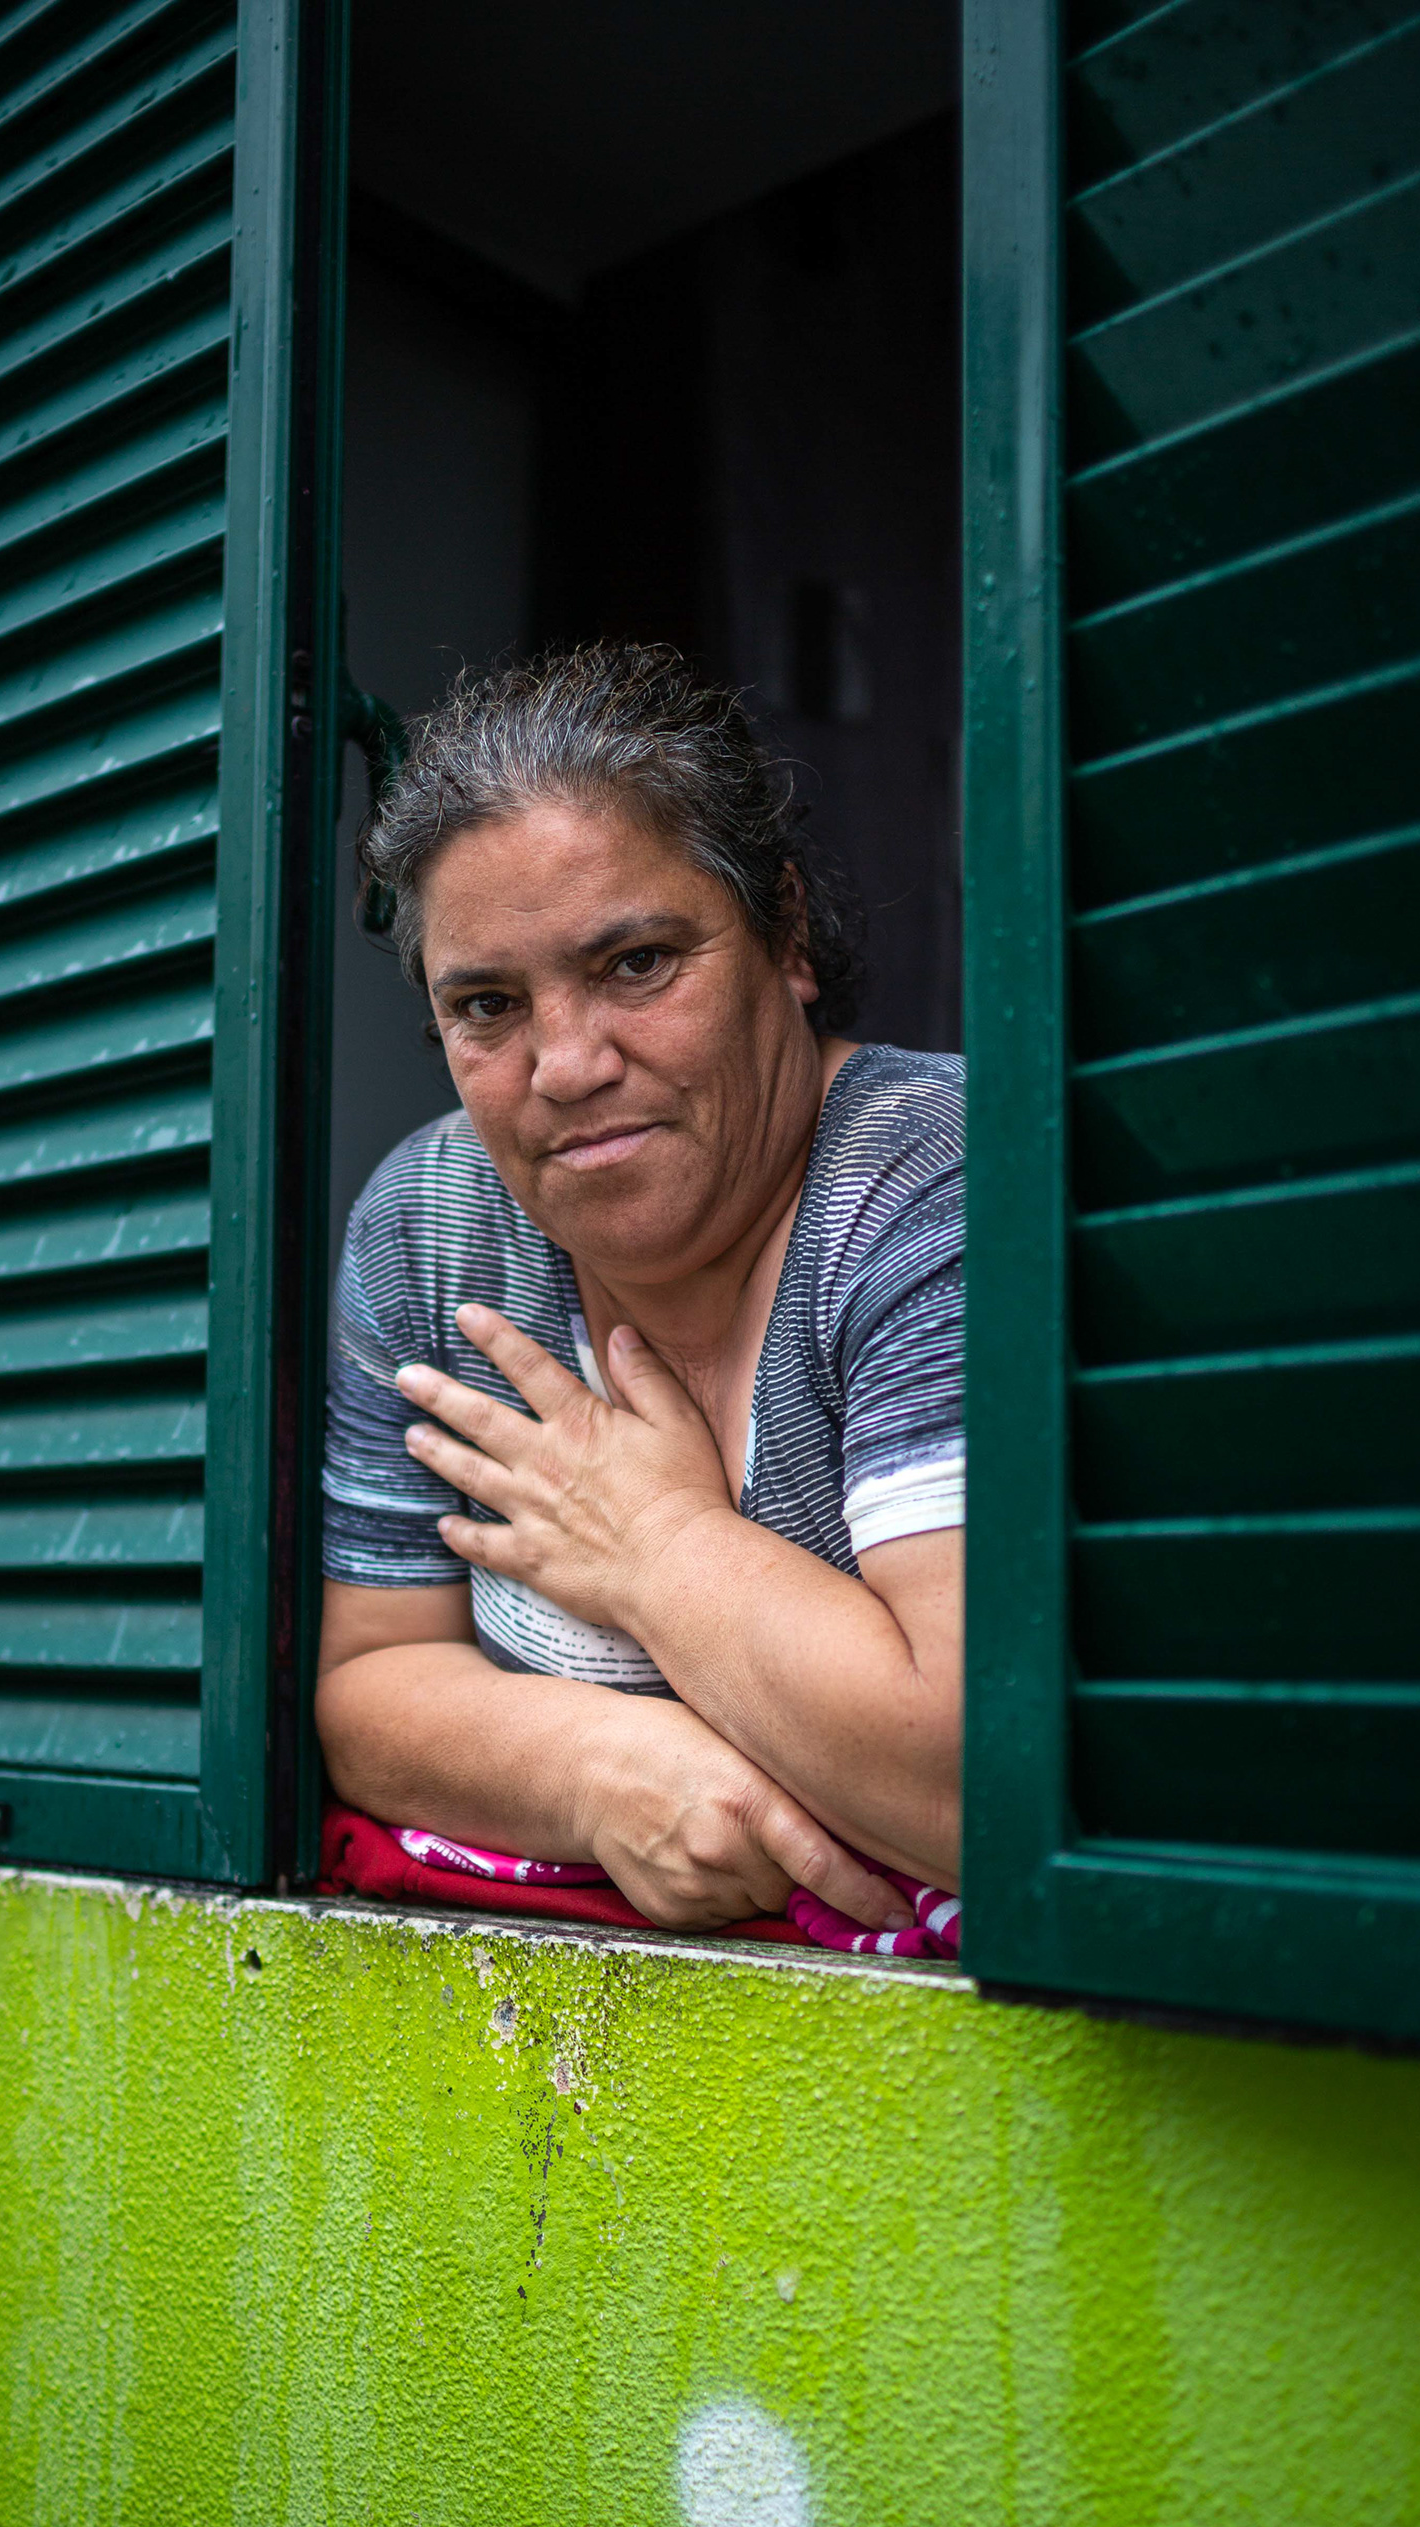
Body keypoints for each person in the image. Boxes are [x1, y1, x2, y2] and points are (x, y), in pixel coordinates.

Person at [317, 642, 963, 1936]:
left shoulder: (933, 1185)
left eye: (636, 965)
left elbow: (976, 1780)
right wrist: (603, 1769)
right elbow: (372, 1679)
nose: (566, 1064)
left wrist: (656, 1548)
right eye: (489, 1005)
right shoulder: (433, 1228)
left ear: (783, 936)